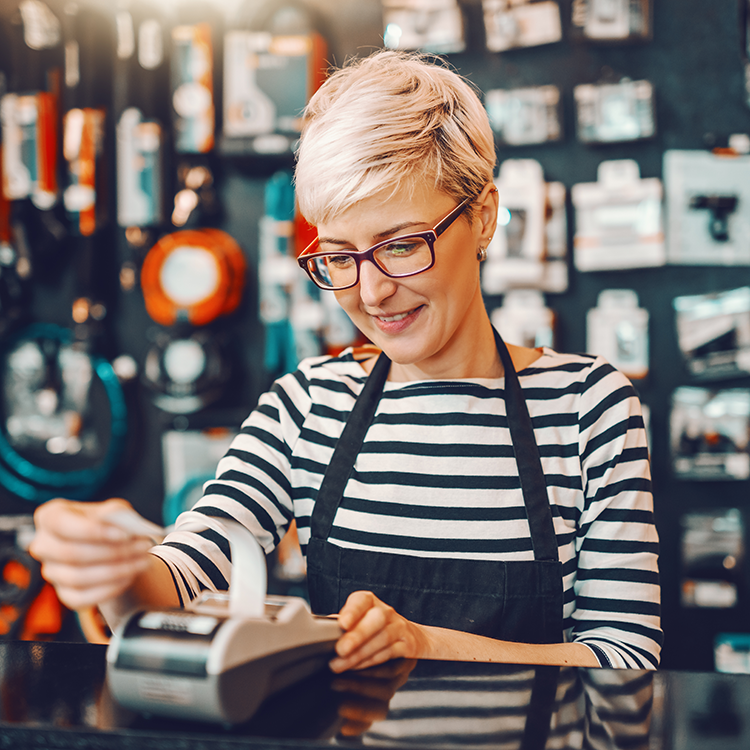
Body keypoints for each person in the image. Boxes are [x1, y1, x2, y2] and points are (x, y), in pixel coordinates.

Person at [30, 50, 662, 672]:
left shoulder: (588, 407)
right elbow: (186, 576)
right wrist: (113, 569)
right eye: (339, 256)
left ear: (485, 217)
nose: (371, 291)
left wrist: (423, 645)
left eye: (401, 245)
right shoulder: (308, 404)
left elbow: (626, 660)